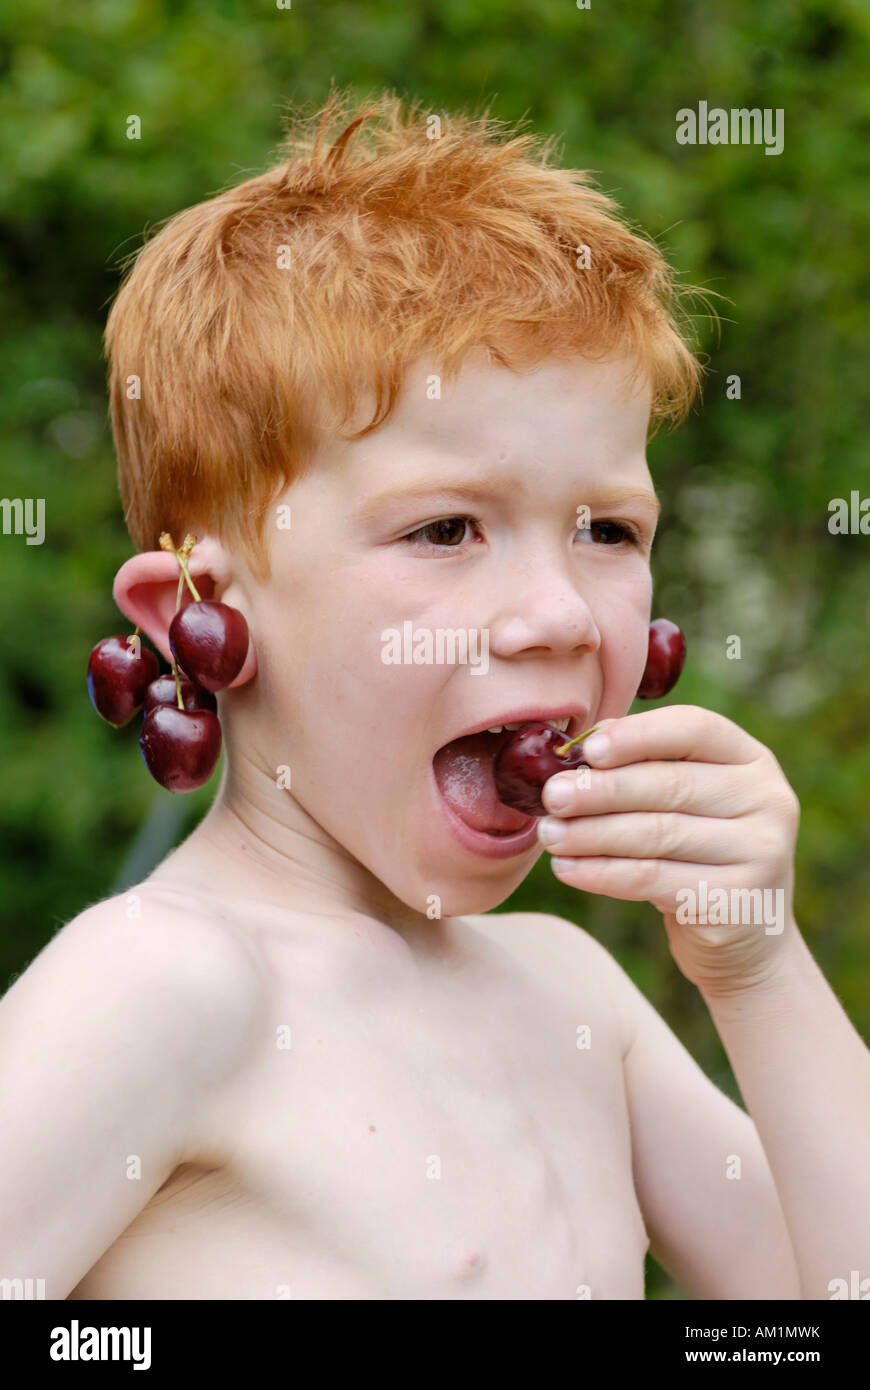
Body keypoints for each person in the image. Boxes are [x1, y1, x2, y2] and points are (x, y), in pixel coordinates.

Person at [2, 89, 867, 1301]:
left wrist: (759, 969)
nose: (562, 613)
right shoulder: (161, 986)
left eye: (608, 528)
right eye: (447, 527)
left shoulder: (575, 1001)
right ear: (201, 612)